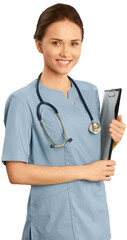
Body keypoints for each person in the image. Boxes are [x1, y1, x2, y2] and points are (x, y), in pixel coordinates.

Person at [1, 3, 126, 240]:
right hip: (52, 222)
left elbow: (88, 155)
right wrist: (84, 171)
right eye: (56, 43)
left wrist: (112, 142)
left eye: (74, 43)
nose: (66, 53)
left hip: (95, 217)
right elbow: (16, 172)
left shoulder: (89, 92)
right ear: (39, 45)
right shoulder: (22, 101)